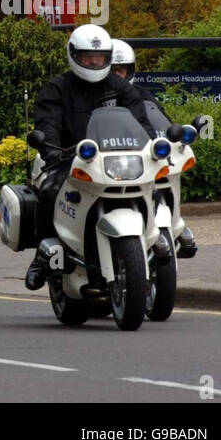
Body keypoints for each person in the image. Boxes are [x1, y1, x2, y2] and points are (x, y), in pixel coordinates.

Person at [24, 24, 157, 290]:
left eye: (99, 57)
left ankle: (158, 237)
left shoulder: (120, 87)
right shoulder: (57, 89)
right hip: (70, 159)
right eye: (88, 57)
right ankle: (43, 253)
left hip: (115, 159)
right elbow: (47, 123)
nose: (94, 62)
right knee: (50, 190)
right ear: (74, 56)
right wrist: (50, 147)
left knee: (151, 185)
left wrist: (151, 144)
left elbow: (141, 122)